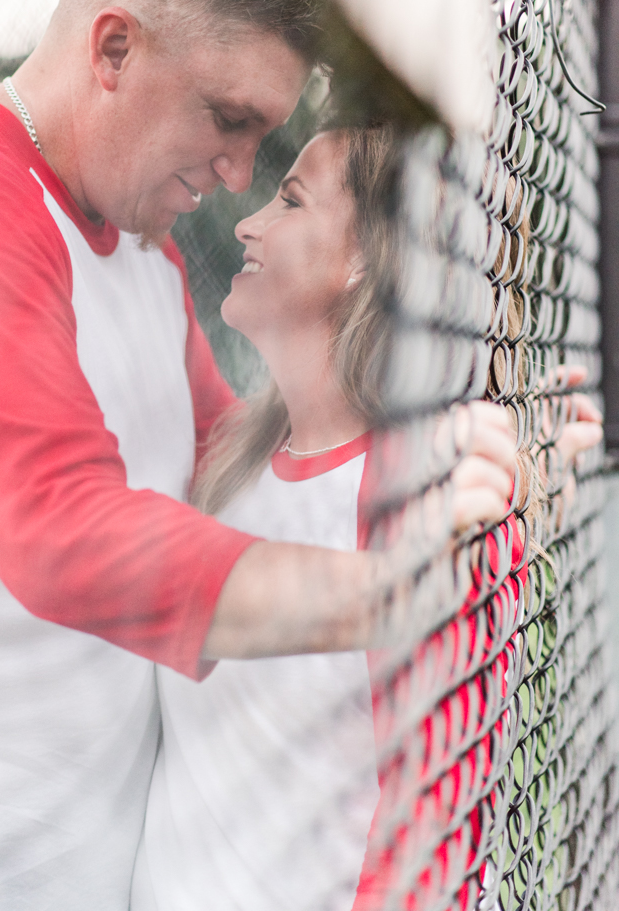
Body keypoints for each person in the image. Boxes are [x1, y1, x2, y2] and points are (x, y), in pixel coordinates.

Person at [0, 0, 516, 911]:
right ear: (113, 51)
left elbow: (223, 462)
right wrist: (395, 594)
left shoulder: (137, 254)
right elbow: (67, 532)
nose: (238, 174)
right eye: (228, 119)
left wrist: (482, 436)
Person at [129, 120, 603, 911]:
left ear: (361, 262)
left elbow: (435, 839)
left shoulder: (425, 502)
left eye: (290, 201)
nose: (249, 222)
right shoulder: (233, 453)